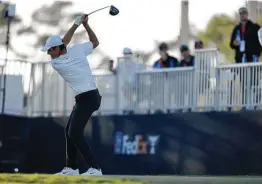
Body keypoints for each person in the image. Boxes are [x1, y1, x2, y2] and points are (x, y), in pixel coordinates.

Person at [41, 14, 102, 176]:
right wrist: (80, 25)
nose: (49, 53)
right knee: (69, 130)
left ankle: (95, 168)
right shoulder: (58, 60)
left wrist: (81, 25)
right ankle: (72, 168)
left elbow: (94, 42)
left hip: (89, 97)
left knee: (74, 133)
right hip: (84, 98)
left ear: (57, 49)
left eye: (50, 50)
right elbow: (90, 43)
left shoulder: (63, 55)